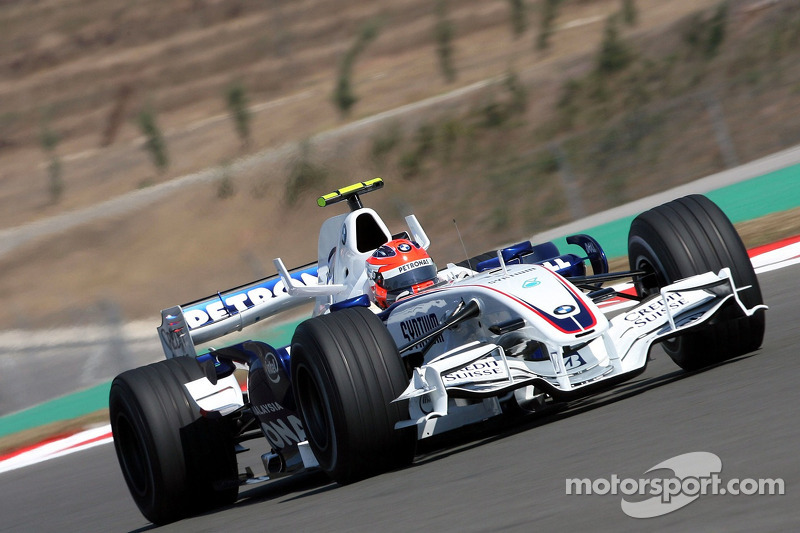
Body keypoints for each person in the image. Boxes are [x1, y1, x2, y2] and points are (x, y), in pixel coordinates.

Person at [366, 238, 438, 309]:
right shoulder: (370, 316)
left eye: (424, 272)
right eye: (403, 280)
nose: (420, 289)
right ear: (375, 280)